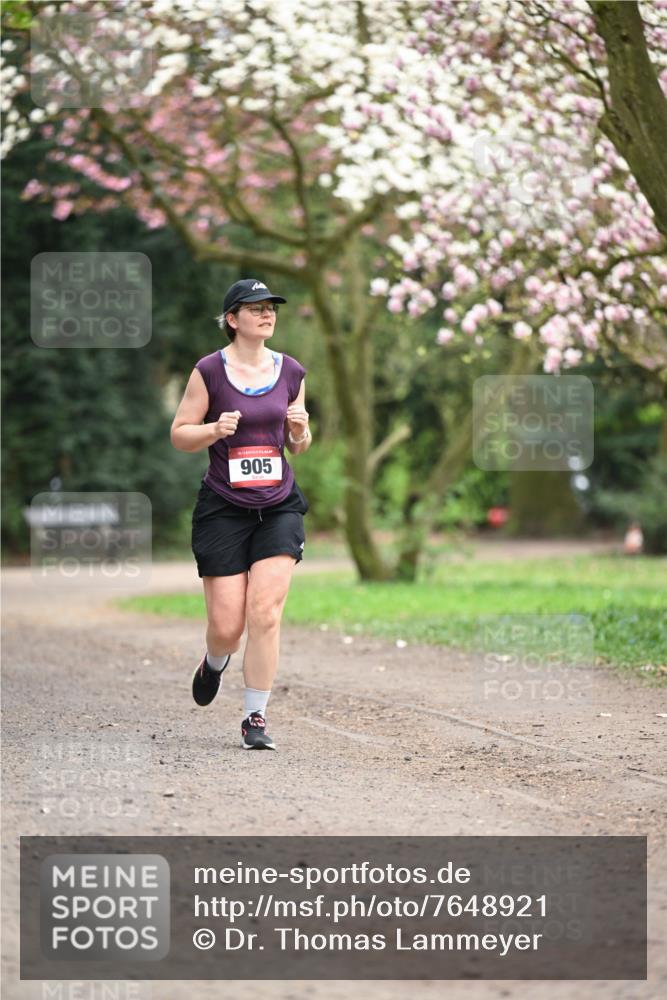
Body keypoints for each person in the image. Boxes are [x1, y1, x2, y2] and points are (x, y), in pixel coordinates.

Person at [170, 278, 312, 750]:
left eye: (271, 307)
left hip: (278, 507)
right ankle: (214, 661)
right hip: (223, 510)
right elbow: (180, 434)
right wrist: (213, 428)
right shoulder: (209, 371)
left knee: (265, 613)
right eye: (255, 308)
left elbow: (297, 444)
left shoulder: (291, 371)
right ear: (233, 319)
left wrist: (300, 432)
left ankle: (255, 717)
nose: (267, 314)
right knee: (228, 628)